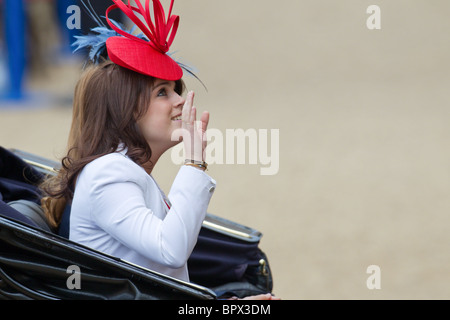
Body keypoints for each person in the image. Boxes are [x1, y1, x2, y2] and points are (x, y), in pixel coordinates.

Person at [40, 0, 278, 300]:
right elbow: (170, 250)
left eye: (175, 90)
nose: (180, 100)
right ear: (126, 112)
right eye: (162, 92)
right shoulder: (108, 173)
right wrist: (193, 163)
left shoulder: (124, 170)